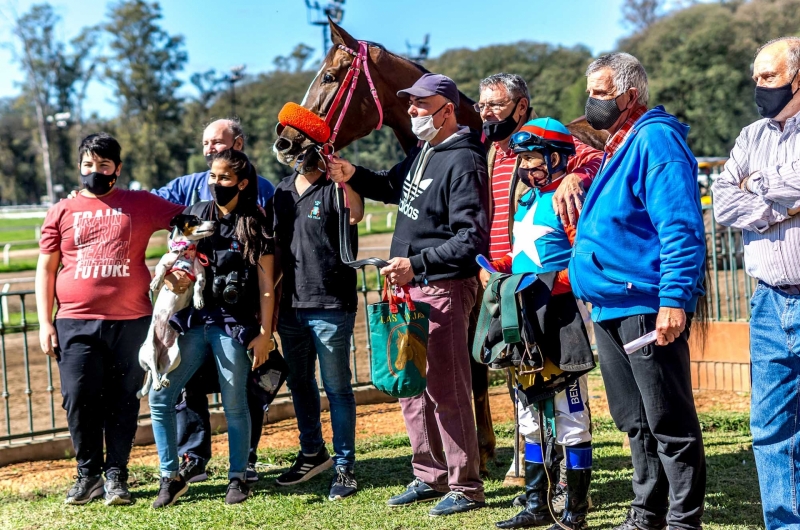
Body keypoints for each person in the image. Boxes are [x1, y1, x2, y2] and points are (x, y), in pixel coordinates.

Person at [328, 72, 489, 517]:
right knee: (411, 387)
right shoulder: (424, 151)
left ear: (448, 110)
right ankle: (429, 474)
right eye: (412, 104)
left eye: (421, 105)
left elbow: (470, 238)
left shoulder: (465, 160)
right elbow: (390, 185)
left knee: (446, 388)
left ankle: (465, 484)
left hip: (442, 287)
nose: (413, 112)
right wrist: (352, 173)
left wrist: (416, 264)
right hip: (409, 288)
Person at [569, 53, 707, 530]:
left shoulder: (655, 139)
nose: (592, 102)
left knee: (667, 419)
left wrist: (674, 299)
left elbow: (680, 226)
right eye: (590, 92)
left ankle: (684, 520)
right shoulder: (618, 144)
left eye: (602, 93)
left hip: (645, 303)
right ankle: (646, 512)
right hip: (609, 304)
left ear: (630, 95)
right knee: (635, 420)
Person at [35, 133, 185, 506]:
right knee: (79, 398)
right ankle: (88, 475)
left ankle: (117, 475)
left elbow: (187, 221)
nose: (95, 172)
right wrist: (45, 321)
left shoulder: (139, 203)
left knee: (123, 400)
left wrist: (181, 262)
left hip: (132, 321)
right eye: (88, 165)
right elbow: (46, 268)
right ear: (79, 167)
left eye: (103, 166)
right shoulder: (62, 211)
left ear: (117, 169)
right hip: (74, 321)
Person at [476, 73, 602, 510]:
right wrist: (500, 269)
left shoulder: (568, 199)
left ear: (557, 158)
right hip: (525, 316)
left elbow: (580, 263)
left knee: (570, 412)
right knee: (529, 411)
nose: (527, 169)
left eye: (534, 160)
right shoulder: (528, 201)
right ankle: (535, 501)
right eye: (523, 161)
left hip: (561, 316)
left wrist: (544, 282)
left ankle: (575, 505)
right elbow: (522, 254)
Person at [148, 149, 276, 507]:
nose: (216, 183)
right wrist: (174, 276)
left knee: (235, 404)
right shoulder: (197, 214)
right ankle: (170, 477)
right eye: (213, 177)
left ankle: (238, 477)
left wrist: (264, 334)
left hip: (232, 327)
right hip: (192, 322)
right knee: (160, 396)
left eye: (225, 178)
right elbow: (175, 252)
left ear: (242, 182)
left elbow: (267, 286)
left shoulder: (255, 221)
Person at [711, 36, 800, 530]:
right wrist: (782, 203)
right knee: (770, 427)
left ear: (797, 78)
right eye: (756, 77)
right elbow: (723, 203)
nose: (758, 85)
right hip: (768, 301)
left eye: (768, 76)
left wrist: (757, 187)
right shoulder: (750, 136)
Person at [272, 162, 363, 500]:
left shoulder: (335, 185)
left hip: (331, 305)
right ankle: (312, 452)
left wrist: (345, 178)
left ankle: (345, 468)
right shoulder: (281, 191)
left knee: (337, 388)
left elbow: (355, 214)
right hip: (291, 307)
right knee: (299, 383)